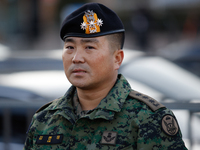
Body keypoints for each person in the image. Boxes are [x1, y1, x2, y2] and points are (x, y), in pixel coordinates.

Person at [24, 3, 187, 150]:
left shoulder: (148, 119)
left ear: (117, 59)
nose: (76, 57)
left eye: (89, 47)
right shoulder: (45, 119)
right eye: (69, 47)